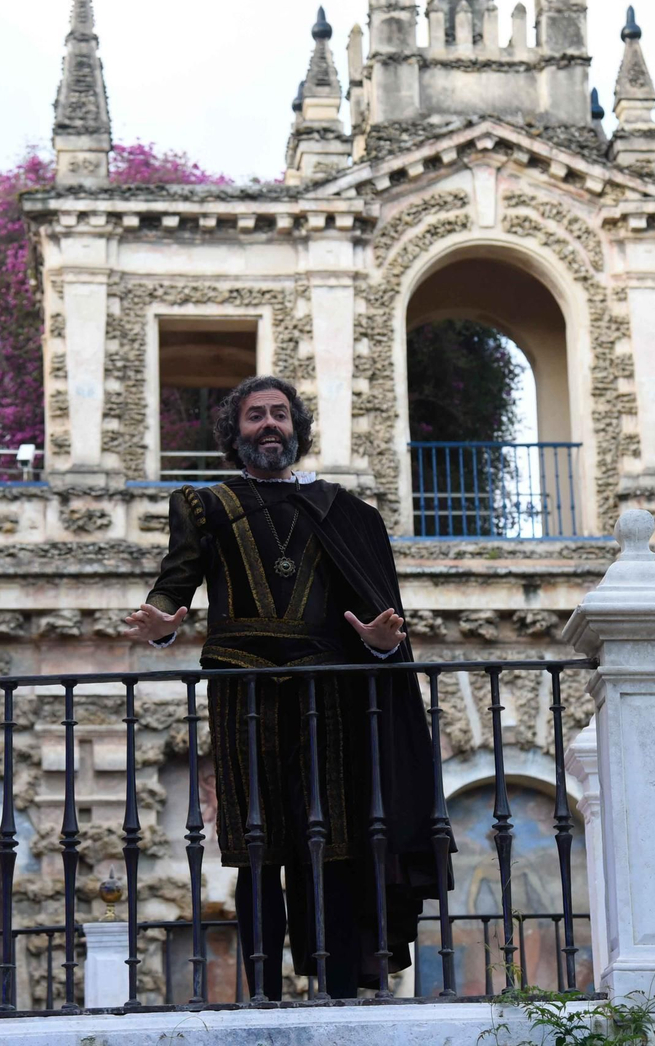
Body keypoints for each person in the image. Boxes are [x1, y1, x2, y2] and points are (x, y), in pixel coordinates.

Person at [124, 375, 444, 1000]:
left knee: (336, 840)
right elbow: (176, 581)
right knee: (256, 847)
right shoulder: (204, 504)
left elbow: (376, 616)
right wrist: (162, 623)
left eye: (278, 414)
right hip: (243, 691)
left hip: (331, 696)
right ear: (234, 433)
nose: (268, 425)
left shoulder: (344, 513)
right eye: (254, 416)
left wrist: (382, 642)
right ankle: (263, 990)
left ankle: (341, 984)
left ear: (295, 427)